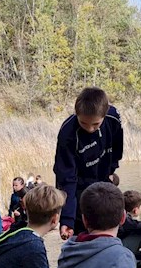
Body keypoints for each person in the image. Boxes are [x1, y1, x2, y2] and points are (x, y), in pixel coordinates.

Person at [53, 87, 123, 240]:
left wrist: (112, 170)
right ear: (76, 114)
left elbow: (117, 148)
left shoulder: (113, 118)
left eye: (96, 124)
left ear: (104, 115)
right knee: (82, 231)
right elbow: (66, 179)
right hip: (79, 186)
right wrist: (67, 219)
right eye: (84, 123)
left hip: (103, 179)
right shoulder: (67, 133)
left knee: (106, 226)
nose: (90, 129)